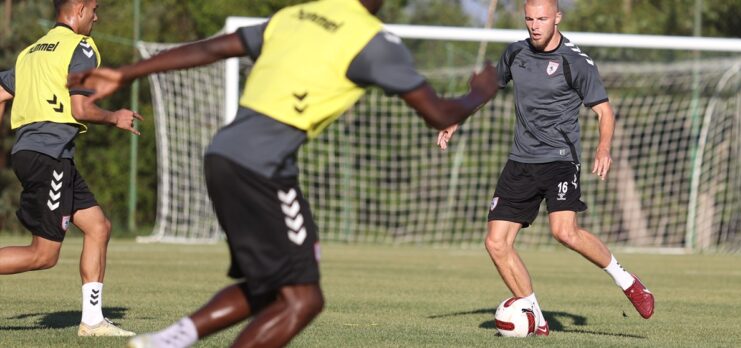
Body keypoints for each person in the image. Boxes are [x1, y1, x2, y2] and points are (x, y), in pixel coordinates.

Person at [68, 0, 499, 347]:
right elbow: (438, 113)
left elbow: (216, 47)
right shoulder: (373, 41)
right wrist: (482, 90)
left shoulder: (297, 15)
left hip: (224, 155)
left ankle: (171, 339)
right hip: (263, 166)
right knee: (304, 299)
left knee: (271, 286)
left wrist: (127, 71)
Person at [438, 0, 654, 336]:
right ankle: (534, 316)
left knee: (564, 232)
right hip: (521, 161)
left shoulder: (576, 62)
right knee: (496, 243)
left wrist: (604, 148)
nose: (535, 25)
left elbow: (604, 112)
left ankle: (627, 280)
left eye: (542, 18)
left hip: (560, 161)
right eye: (529, 19)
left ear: (557, 18)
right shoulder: (515, 54)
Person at [0, 0, 140, 337]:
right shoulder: (82, 46)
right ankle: (92, 322)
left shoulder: (31, 52)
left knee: (98, 227)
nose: (97, 16)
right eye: (93, 9)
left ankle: (92, 322)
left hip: (42, 153)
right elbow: (80, 109)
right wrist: (114, 117)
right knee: (43, 255)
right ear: (77, 9)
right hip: (49, 156)